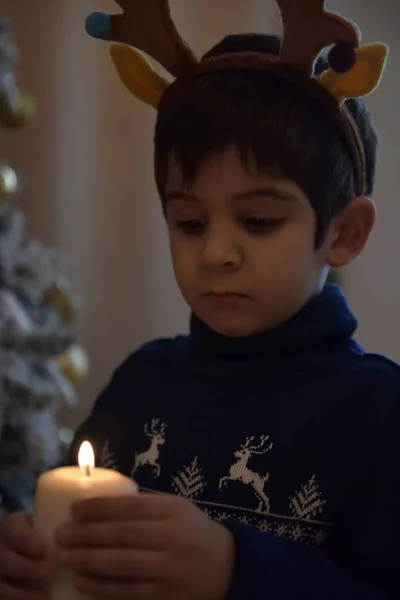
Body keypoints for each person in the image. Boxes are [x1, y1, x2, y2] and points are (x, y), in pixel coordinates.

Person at [0, 1, 398, 599]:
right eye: (189, 223)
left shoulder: (379, 414)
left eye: (259, 220)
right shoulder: (140, 383)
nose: (215, 252)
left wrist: (235, 571)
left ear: (342, 234)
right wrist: (27, 555)